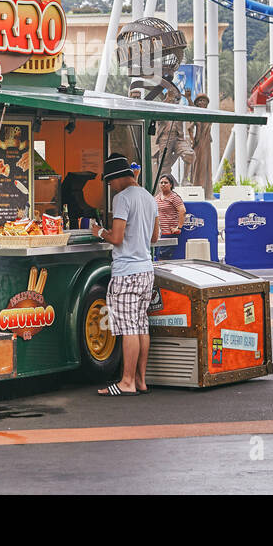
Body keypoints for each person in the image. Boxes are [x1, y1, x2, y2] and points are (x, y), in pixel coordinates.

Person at [90, 153, 159, 396]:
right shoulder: (150, 198)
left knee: (129, 328)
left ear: (117, 178)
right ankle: (140, 380)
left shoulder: (122, 199)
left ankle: (126, 382)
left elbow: (116, 238)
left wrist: (99, 232)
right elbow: (154, 238)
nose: (110, 187)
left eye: (109, 183)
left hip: (126, 272)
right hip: (146, 271)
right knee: (141, 326)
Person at [153, 173, 186, 260]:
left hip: (169, 234)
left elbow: (182, 211)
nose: (163, 184)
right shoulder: (157, 197)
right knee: (157, 257)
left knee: (163, 258)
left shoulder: (174, 197)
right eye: (161, 182)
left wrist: (178, 228)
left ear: (171, 185)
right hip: (159, 234)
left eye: (166, 182)